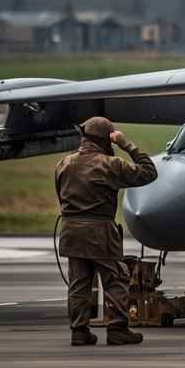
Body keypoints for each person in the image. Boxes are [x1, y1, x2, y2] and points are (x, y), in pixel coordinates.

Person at [55, 116, 157, 346]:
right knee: (116, 279)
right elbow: (149, 172)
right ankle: (117, 328)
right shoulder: (111, 165)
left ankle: (79, 331)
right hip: (99, 231)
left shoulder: (63, 163)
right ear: (107, 139)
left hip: (71, 230)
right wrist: (126, 144)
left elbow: (60, 195)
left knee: (79, 283)